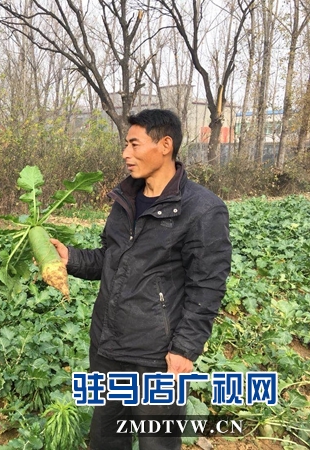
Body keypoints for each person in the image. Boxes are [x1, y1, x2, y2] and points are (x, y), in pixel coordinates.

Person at [51, 109, 232, 450]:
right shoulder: (126, 199)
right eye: (125, 144)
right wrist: (70, 259)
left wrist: (184, 349)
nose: (125, 153)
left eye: (134, 144)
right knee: (106, 439)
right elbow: (111, 259)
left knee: (157, 443)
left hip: (156, 358)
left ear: (165, 145)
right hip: (108, 347)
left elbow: (207, 287)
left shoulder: (202, 210)